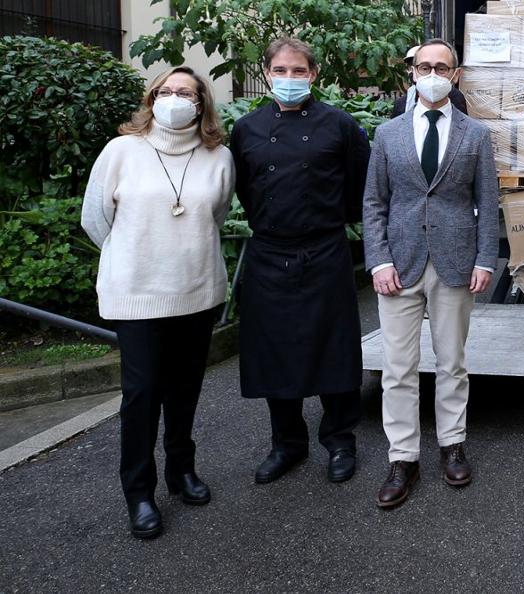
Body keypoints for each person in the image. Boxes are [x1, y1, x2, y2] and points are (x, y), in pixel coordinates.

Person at [81, 67, 234, 540]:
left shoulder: (219, 156)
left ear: (201, 102)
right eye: (165, 91)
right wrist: (136, 259)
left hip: (196, 290)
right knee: (142, 394)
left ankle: (181, 471)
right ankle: (139, 492)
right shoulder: (121, 151)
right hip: (137, 293)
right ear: (151, 100)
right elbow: (95, 219)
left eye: (185, 92)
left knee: (185, 389)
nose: (174, 99)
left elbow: (218, 213)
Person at [364, 39, 498, 509]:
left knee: (451, 362)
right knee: (397, 368)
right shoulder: (387, 134)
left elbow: (488, 202)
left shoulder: (477, 135)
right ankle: (402, 458)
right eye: (425, 66)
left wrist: (486, 260)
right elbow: (375, 202)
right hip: (398, 265)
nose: (433, 73)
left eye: (442, 66)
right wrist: (378, 260)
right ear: (413, 74)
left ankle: (451, 444)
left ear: (455, 75)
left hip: (456, 262)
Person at [231, 37, 371, 486]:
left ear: (313, 75)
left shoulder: (340, 125)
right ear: (267, 74)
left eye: (298, 71)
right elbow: (244, 189)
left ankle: (340, 440)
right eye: (280, 70)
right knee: (275, 351)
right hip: (270, 250)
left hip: (325, 248)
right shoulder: (247, 129)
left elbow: (359, 189)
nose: (289, 78)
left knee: (334, 347)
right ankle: (286, 443)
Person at [392, 44, 467, 117]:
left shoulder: (455, 96)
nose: (431, 74)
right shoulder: (402, 103)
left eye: (441, 69)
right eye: (423, 68)